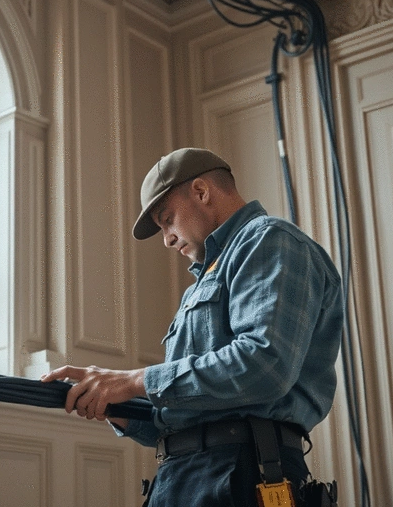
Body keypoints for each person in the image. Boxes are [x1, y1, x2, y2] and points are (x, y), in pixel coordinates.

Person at [41, 147, 344, 506]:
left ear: (201, 192)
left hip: (246, 472)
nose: (167, 238)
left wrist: (135, 381)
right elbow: (187, 411)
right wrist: (118, 407)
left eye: (167, 219)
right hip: (182, 477)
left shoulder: (270, 241)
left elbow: (265, 365)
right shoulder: (202, 282)